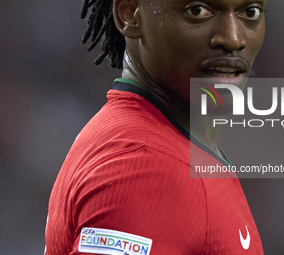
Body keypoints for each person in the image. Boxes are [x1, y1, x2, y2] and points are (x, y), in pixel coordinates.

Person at [44, 0, 267, 254]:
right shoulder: (144, 166)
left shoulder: (146, 140)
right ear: (129, 14)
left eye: (250, 12)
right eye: (197, 10)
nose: (233, 38)